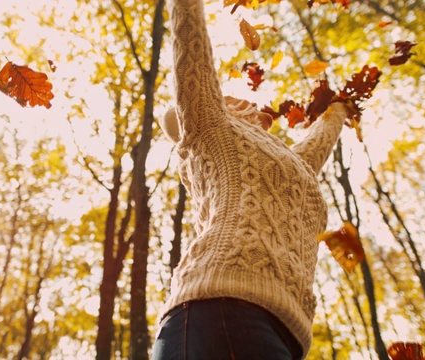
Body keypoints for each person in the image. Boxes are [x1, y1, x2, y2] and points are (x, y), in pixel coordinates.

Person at [152, 0, 350, 359]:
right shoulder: (213, 129)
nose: (248, 102)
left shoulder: (289, 163)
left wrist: (340, 108)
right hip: (221, 306)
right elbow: (190, 44)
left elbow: (321, 140)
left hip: (285, 326)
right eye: (228, 97)